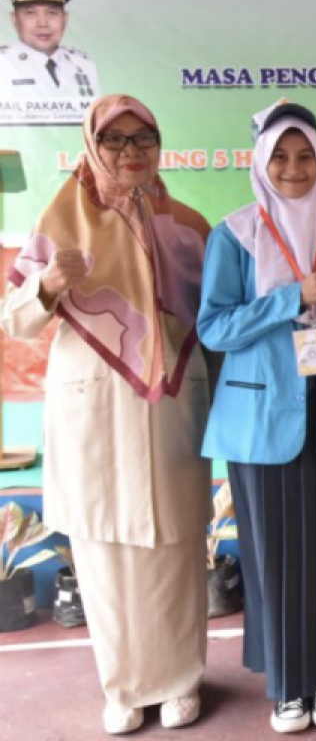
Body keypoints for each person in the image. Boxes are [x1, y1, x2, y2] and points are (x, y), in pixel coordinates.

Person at [0, 95, 210, 734]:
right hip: (94, 408)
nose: (130, 152)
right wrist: (48, 286)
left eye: (142, 138)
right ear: (93, 145)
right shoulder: (61, 219)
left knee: (175, 546)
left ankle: (180, 681)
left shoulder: (189, 224)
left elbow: (218, 318)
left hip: (174, 405)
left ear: (158, 143)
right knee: (103, 551)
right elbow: (16, 321)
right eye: (115, 141)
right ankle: (122, 688)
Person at [197, 101, 316, 732]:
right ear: (260, 161)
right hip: (258, 424)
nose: (295, 168)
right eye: (281, 155)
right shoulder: (235, 235)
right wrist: (287, 299)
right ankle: (287, 687)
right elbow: (214, 328)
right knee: (274, 556)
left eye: (305, 155)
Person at [1, 0, 100, 124]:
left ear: (65, 18)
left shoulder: (85, 66)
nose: (43, 23)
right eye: (30, 13)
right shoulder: (2, 65)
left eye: (52, 13)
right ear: (15, 19)